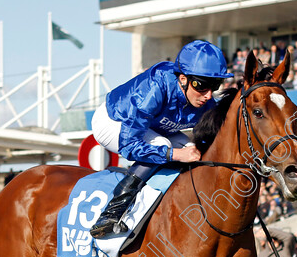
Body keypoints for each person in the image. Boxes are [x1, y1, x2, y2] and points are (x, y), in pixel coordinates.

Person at [89, 40, 233, 238]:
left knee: (195, 151)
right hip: (114, 122)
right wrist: (174, 154)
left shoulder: (205, 102)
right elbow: (130, 145)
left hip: (156, 127)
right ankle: (113, 212)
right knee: (164, 146)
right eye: (202, 86)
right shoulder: (154, 89)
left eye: (215, 86)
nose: (208, 95)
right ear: (183, 79)